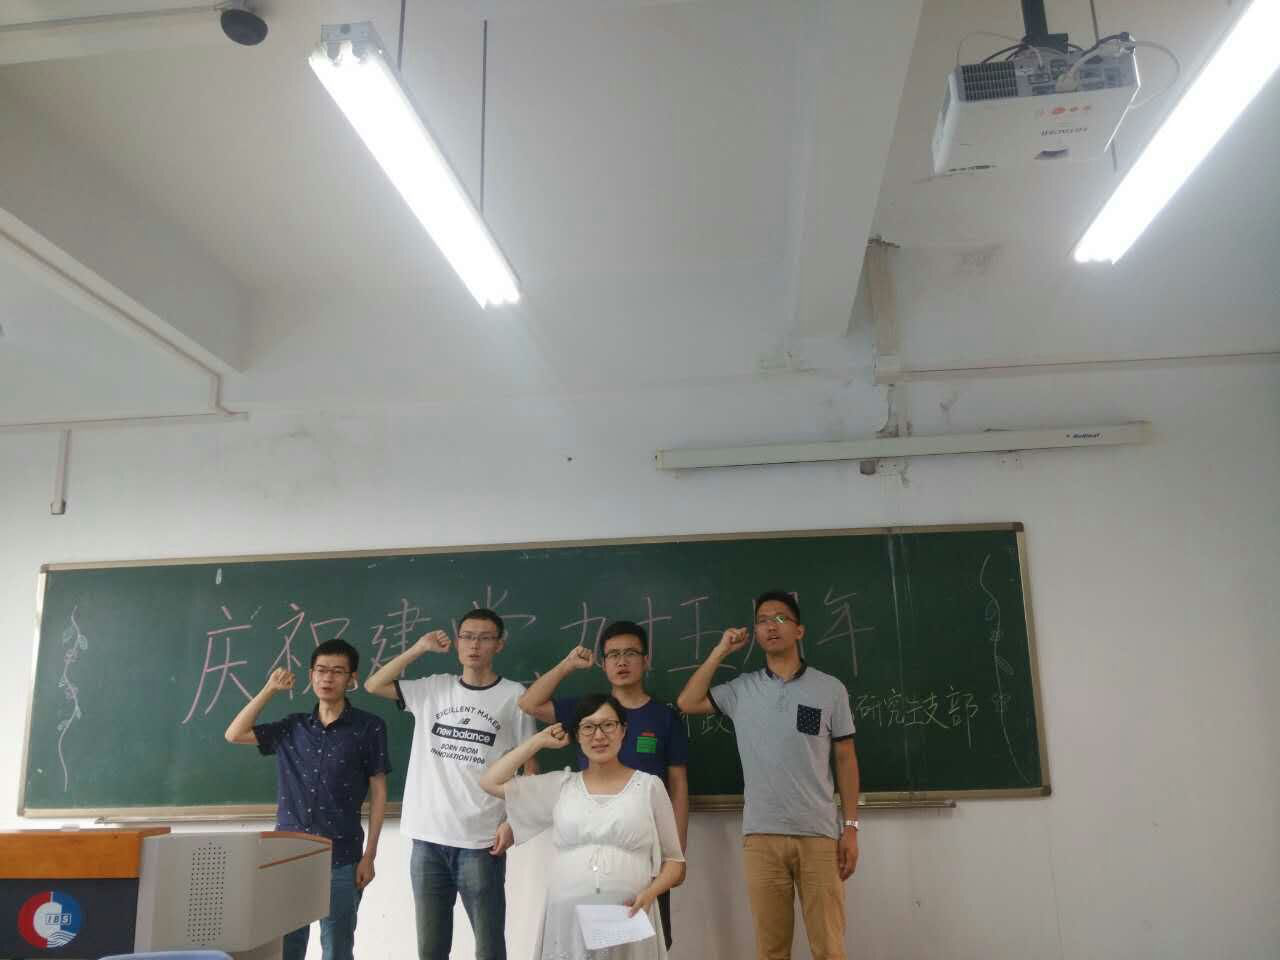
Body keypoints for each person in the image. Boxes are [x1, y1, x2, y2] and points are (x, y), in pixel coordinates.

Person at [676, 591, 860, 960]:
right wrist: (720, 651)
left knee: (829, 948)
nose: (770, 626)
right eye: (762, 620)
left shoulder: (830, 688)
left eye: (780, 618)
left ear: (799, 630)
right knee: (771, 950)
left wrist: (851, 827)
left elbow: (845, 758)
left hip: (819, 834)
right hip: (762, 836)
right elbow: (687, 702)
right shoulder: (741, 689)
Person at [364, 609, 536, 960]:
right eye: (467, 636)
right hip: (428, 840)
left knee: (489, 947)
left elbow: (530, 768)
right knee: (431, 950)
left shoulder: (514, 696)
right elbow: (373, 685)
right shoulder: (433, 688)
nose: (474, 645)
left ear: (499, 645)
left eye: (484, 638)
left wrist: (514, 822)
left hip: (482, 842)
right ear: (457, 642)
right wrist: (419, 648)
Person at [517, 620, 689, 950]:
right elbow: (529, 704)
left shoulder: (664, 717)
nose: (621, 662)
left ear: (646, 660)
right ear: (604, 663)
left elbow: (678, 785)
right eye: (613, 655)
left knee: (644, 940)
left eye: (630, 653)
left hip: (643, 847)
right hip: (591, 838)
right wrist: (568, 665)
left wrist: (677, 850)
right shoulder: (589, 711)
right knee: (586, 946)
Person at [478, 694, 686, 960]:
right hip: (566, 922)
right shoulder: (562, 786)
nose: (598, 735)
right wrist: (538, 741)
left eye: (608, 725)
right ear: (576, 735)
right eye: (588, 727)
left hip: (628, 920)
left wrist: (651, 894)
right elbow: (490, 782)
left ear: (623, 731)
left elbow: (675, 862)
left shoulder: (648, 787)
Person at [224, 638, 389, 960]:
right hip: (288, 854)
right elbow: (234, 734)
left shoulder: (369, 727)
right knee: (287, 949)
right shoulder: (292, 727)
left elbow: (379, 792)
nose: (328, 678)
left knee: (337, 949)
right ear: (311, 675)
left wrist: (369, 855)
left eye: (337, 671)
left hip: (342, 855)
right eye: (321, 670)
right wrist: (270, 689)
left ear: (352, 679)